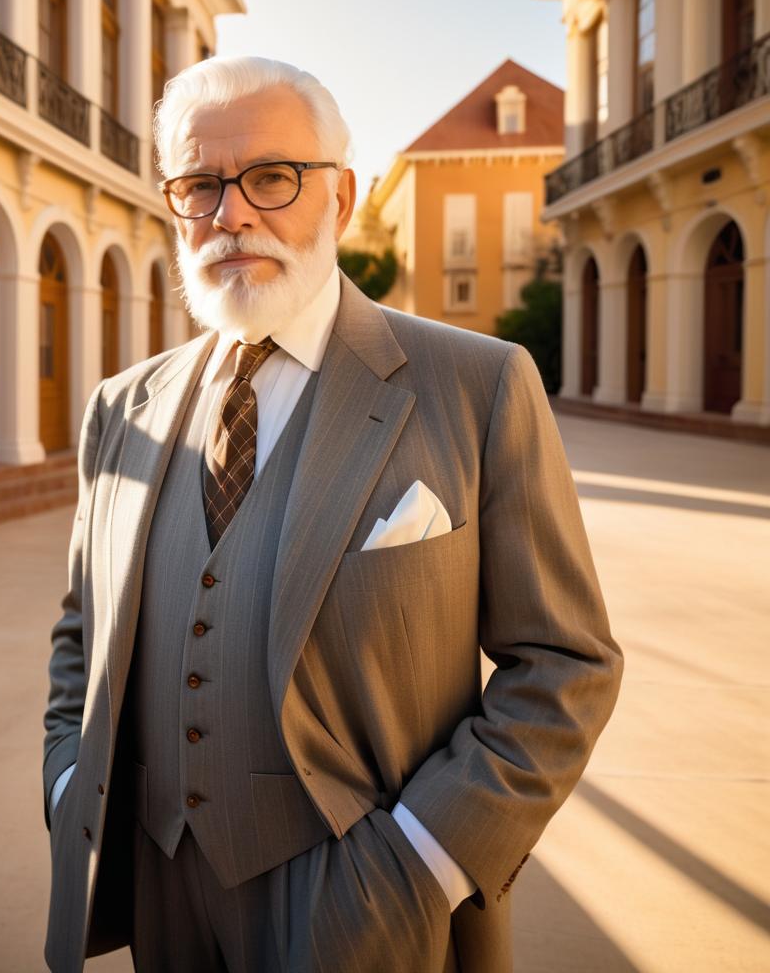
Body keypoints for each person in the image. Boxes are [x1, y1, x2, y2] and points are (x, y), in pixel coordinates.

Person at [41, 55, 623, 973]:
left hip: (366, 900)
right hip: (158, 886)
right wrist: (70, 781)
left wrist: (423, 863)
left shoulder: (477, 385)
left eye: (271, 178)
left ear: (341, 197)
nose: (232, 214)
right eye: (200, 185)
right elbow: (82, 630)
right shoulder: (123, 408)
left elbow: (565, 666)